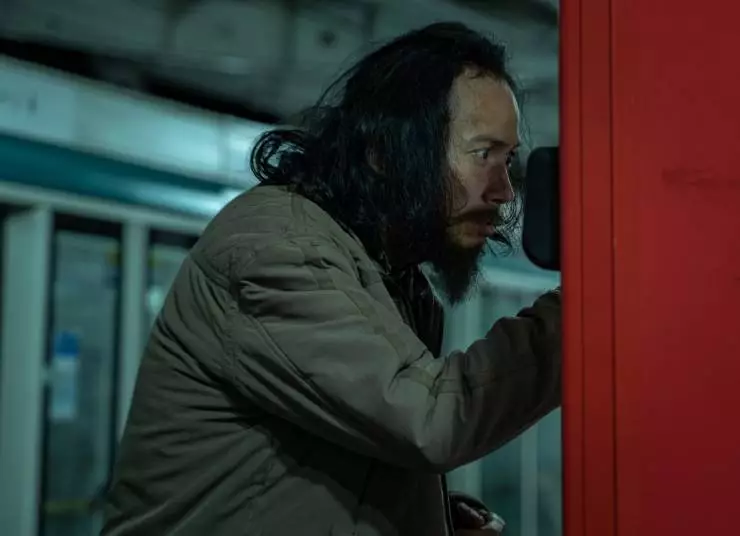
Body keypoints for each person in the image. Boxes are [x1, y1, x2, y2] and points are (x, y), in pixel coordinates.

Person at [102, 22, 561, 536]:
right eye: (483, 155)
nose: (504, 190)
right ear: (385, 154)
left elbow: (335, 455)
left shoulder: (389, 273)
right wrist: (582, 315)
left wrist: (426, 516)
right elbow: (429, 421)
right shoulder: (279, 250)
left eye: (508, 159)